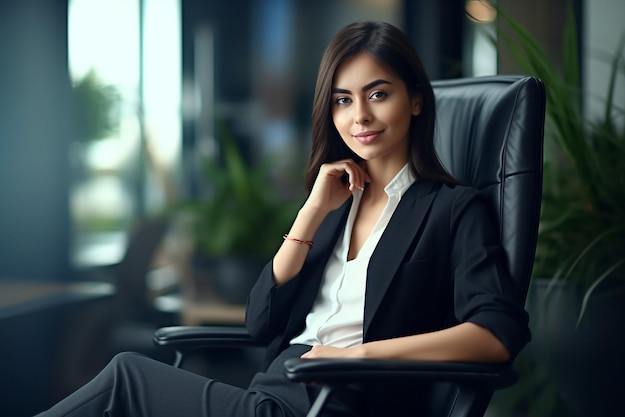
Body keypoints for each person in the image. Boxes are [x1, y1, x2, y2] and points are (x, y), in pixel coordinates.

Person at [37, 21, 530, 417]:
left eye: (378, 94)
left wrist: (360, 354)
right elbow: (260, 320)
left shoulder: (452, 209)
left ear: (416, 100)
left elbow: (495, 335)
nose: (360, 115)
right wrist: (313, 211)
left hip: (336, 396)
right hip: (275, 389)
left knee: (127, 376)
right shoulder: (337, 205)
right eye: (343, 99)